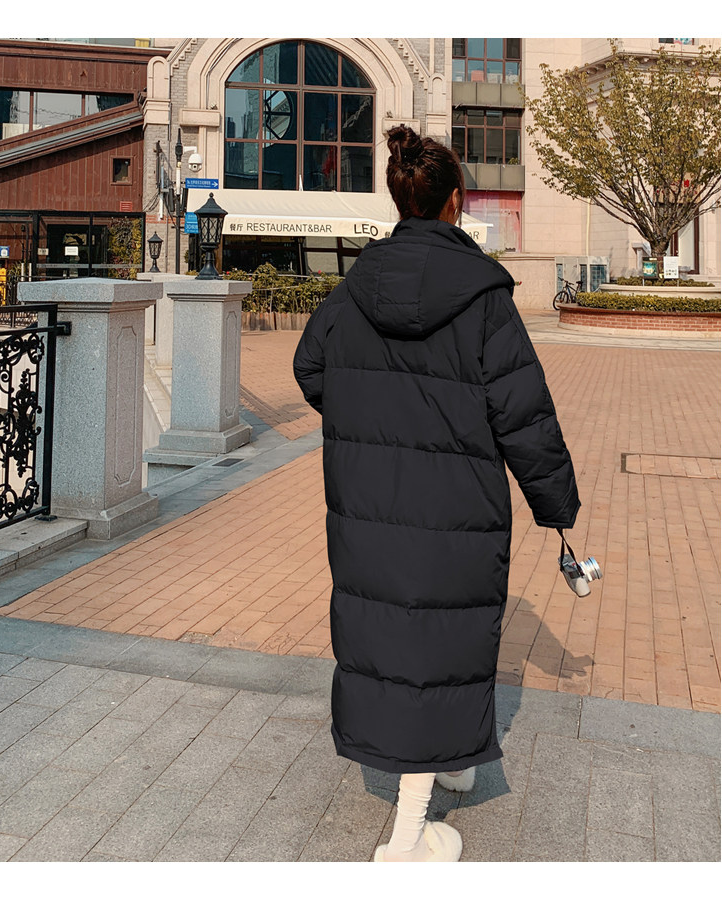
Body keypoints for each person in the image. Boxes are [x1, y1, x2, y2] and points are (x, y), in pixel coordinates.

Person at [293, 124, 581, 862]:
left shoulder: (354, 288)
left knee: (395, 639)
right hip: (458, 506)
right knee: (440, 644)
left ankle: (451, 759)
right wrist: (557, 507)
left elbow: (310, 367)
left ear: (401, 199)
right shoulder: (484, 297)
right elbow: (524, 414)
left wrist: (369, 420)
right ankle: (406, 841)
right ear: (455, 201)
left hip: (367, 503)